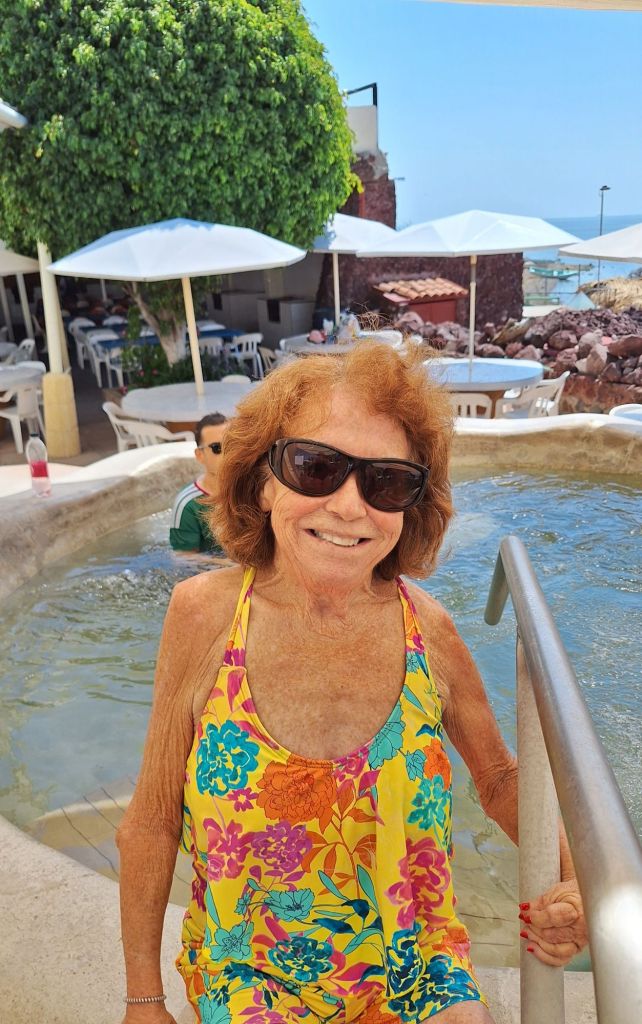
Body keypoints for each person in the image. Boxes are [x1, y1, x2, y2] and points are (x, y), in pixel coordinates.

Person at [117, 344, 587, 1024]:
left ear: (411, 506)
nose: (348, 506)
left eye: (386, 482)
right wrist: (143, 1001)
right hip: (250, 977)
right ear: (263, 482)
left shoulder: (429, 630)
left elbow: (500, 780)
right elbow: (154, 817)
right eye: (315, 468)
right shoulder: (204, 616)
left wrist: (582, 883)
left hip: (414, 964)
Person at [169, 414, 227, 554]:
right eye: (217, 448)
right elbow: (183, 557)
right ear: (200, 455)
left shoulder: (252, 489)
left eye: (232, 444)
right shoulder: (188, 504)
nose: (227, 453)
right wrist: (230, 564)